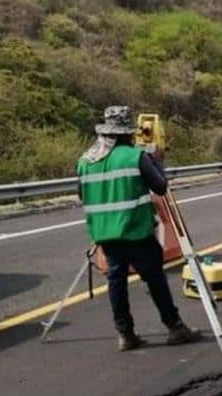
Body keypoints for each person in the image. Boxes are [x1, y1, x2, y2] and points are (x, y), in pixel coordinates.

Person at [77, 106, 201, 351]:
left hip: (105, 235)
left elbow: (83, 195)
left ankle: (125, 334)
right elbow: (160, 187)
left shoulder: (85, 161)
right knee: (154, 278)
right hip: (136, 231)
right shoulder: (135, 157)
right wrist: (157, 161)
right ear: (126, 133)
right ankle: (175, 326)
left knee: (116, 281)